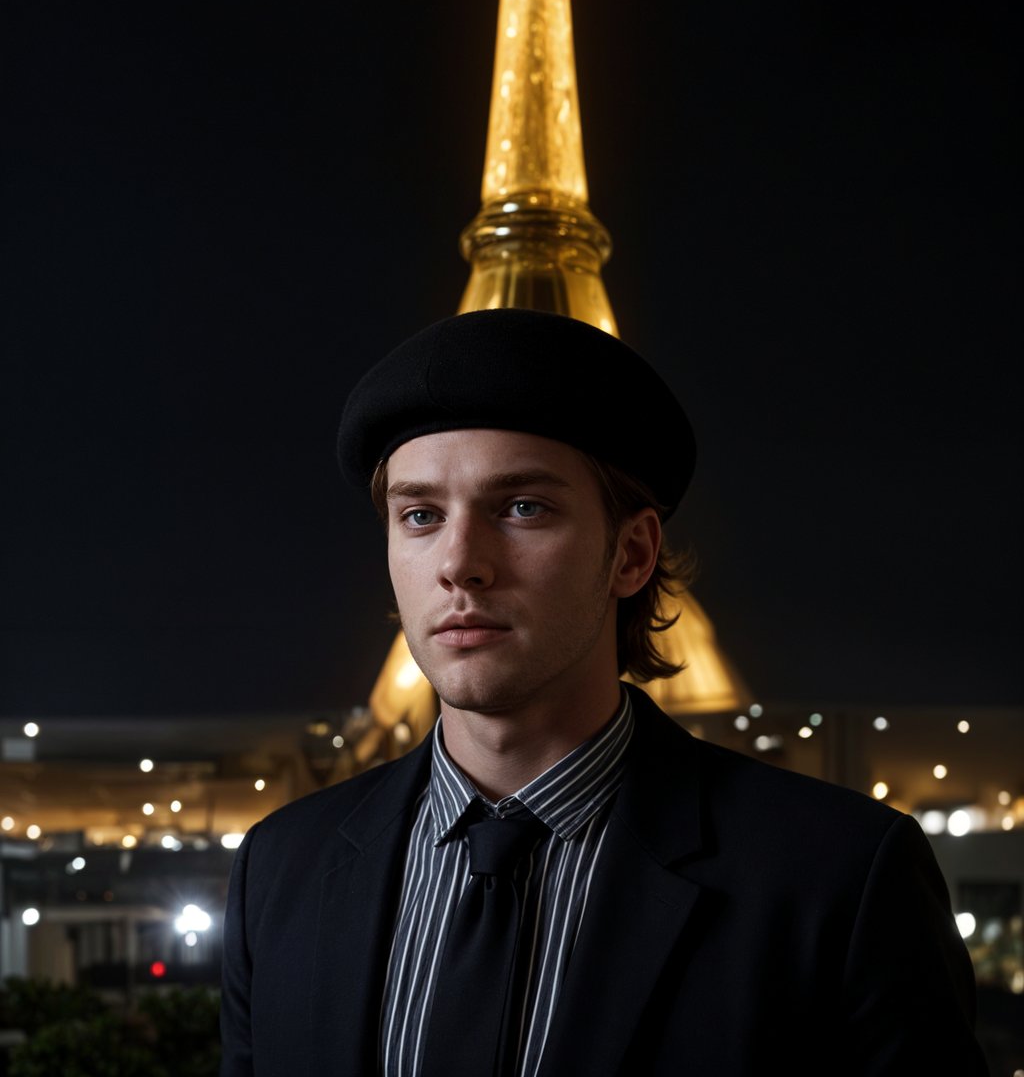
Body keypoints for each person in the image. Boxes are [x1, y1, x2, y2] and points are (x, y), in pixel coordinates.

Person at [220, 308, 986, 1076]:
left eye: (522, 508)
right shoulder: (279, 870)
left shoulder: (839, 881)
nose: (459, 563)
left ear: (632, 553)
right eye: (420, 515)